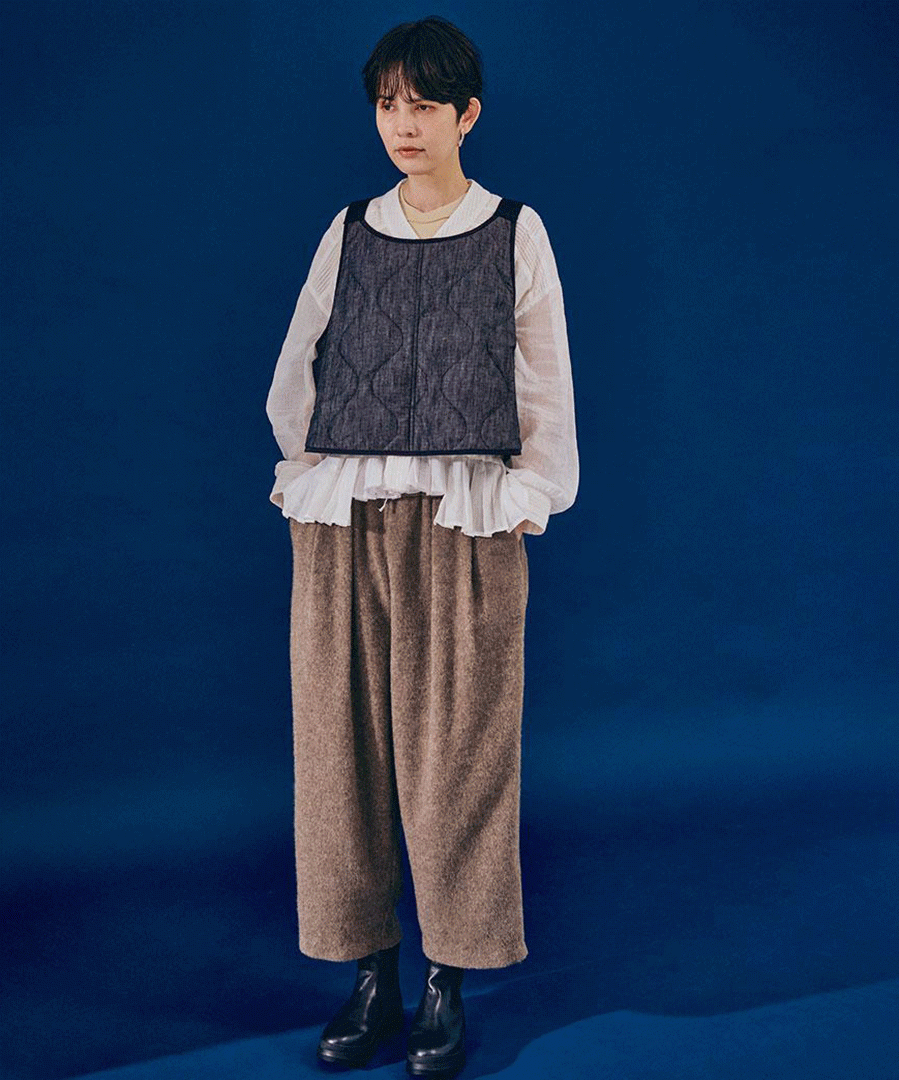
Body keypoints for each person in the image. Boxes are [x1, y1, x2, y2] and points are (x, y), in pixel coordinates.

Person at [265, 15, 578, 1077]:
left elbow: (544, 373)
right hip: (343, 521)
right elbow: (300, 359)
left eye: (425, 105)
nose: (403, 124)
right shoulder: (349, 230)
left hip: (463, 521)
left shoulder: (514, 232)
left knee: (459, 760)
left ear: (467, 115)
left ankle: (449, 975)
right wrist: (305, 471)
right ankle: (372, 971)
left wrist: (531, 494)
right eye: (388, 104)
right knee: (338, 755)